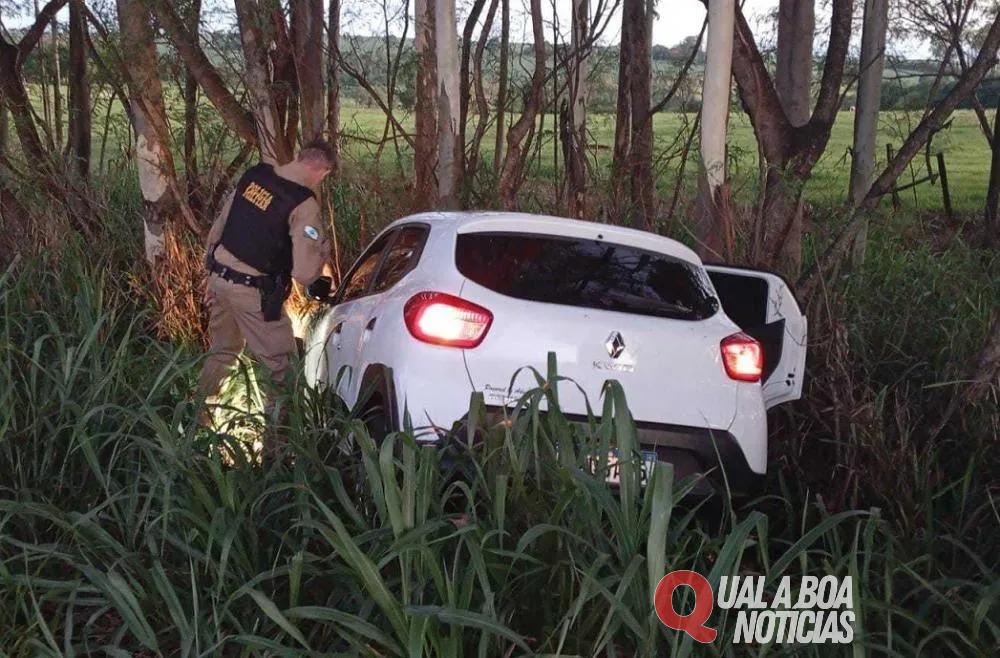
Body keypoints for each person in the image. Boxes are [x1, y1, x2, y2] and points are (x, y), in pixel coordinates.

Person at [197, 140, 335, 439]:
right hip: (254, 294)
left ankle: (196, 427)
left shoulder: (255, 176)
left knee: (222, 353)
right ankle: (277, 451)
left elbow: (221, 225)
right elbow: (303, 273)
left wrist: (210, 274)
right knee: (282, 371)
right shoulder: (303, 203)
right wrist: (322, 252)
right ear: (322, 171)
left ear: (299, 157)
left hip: (220, 279)